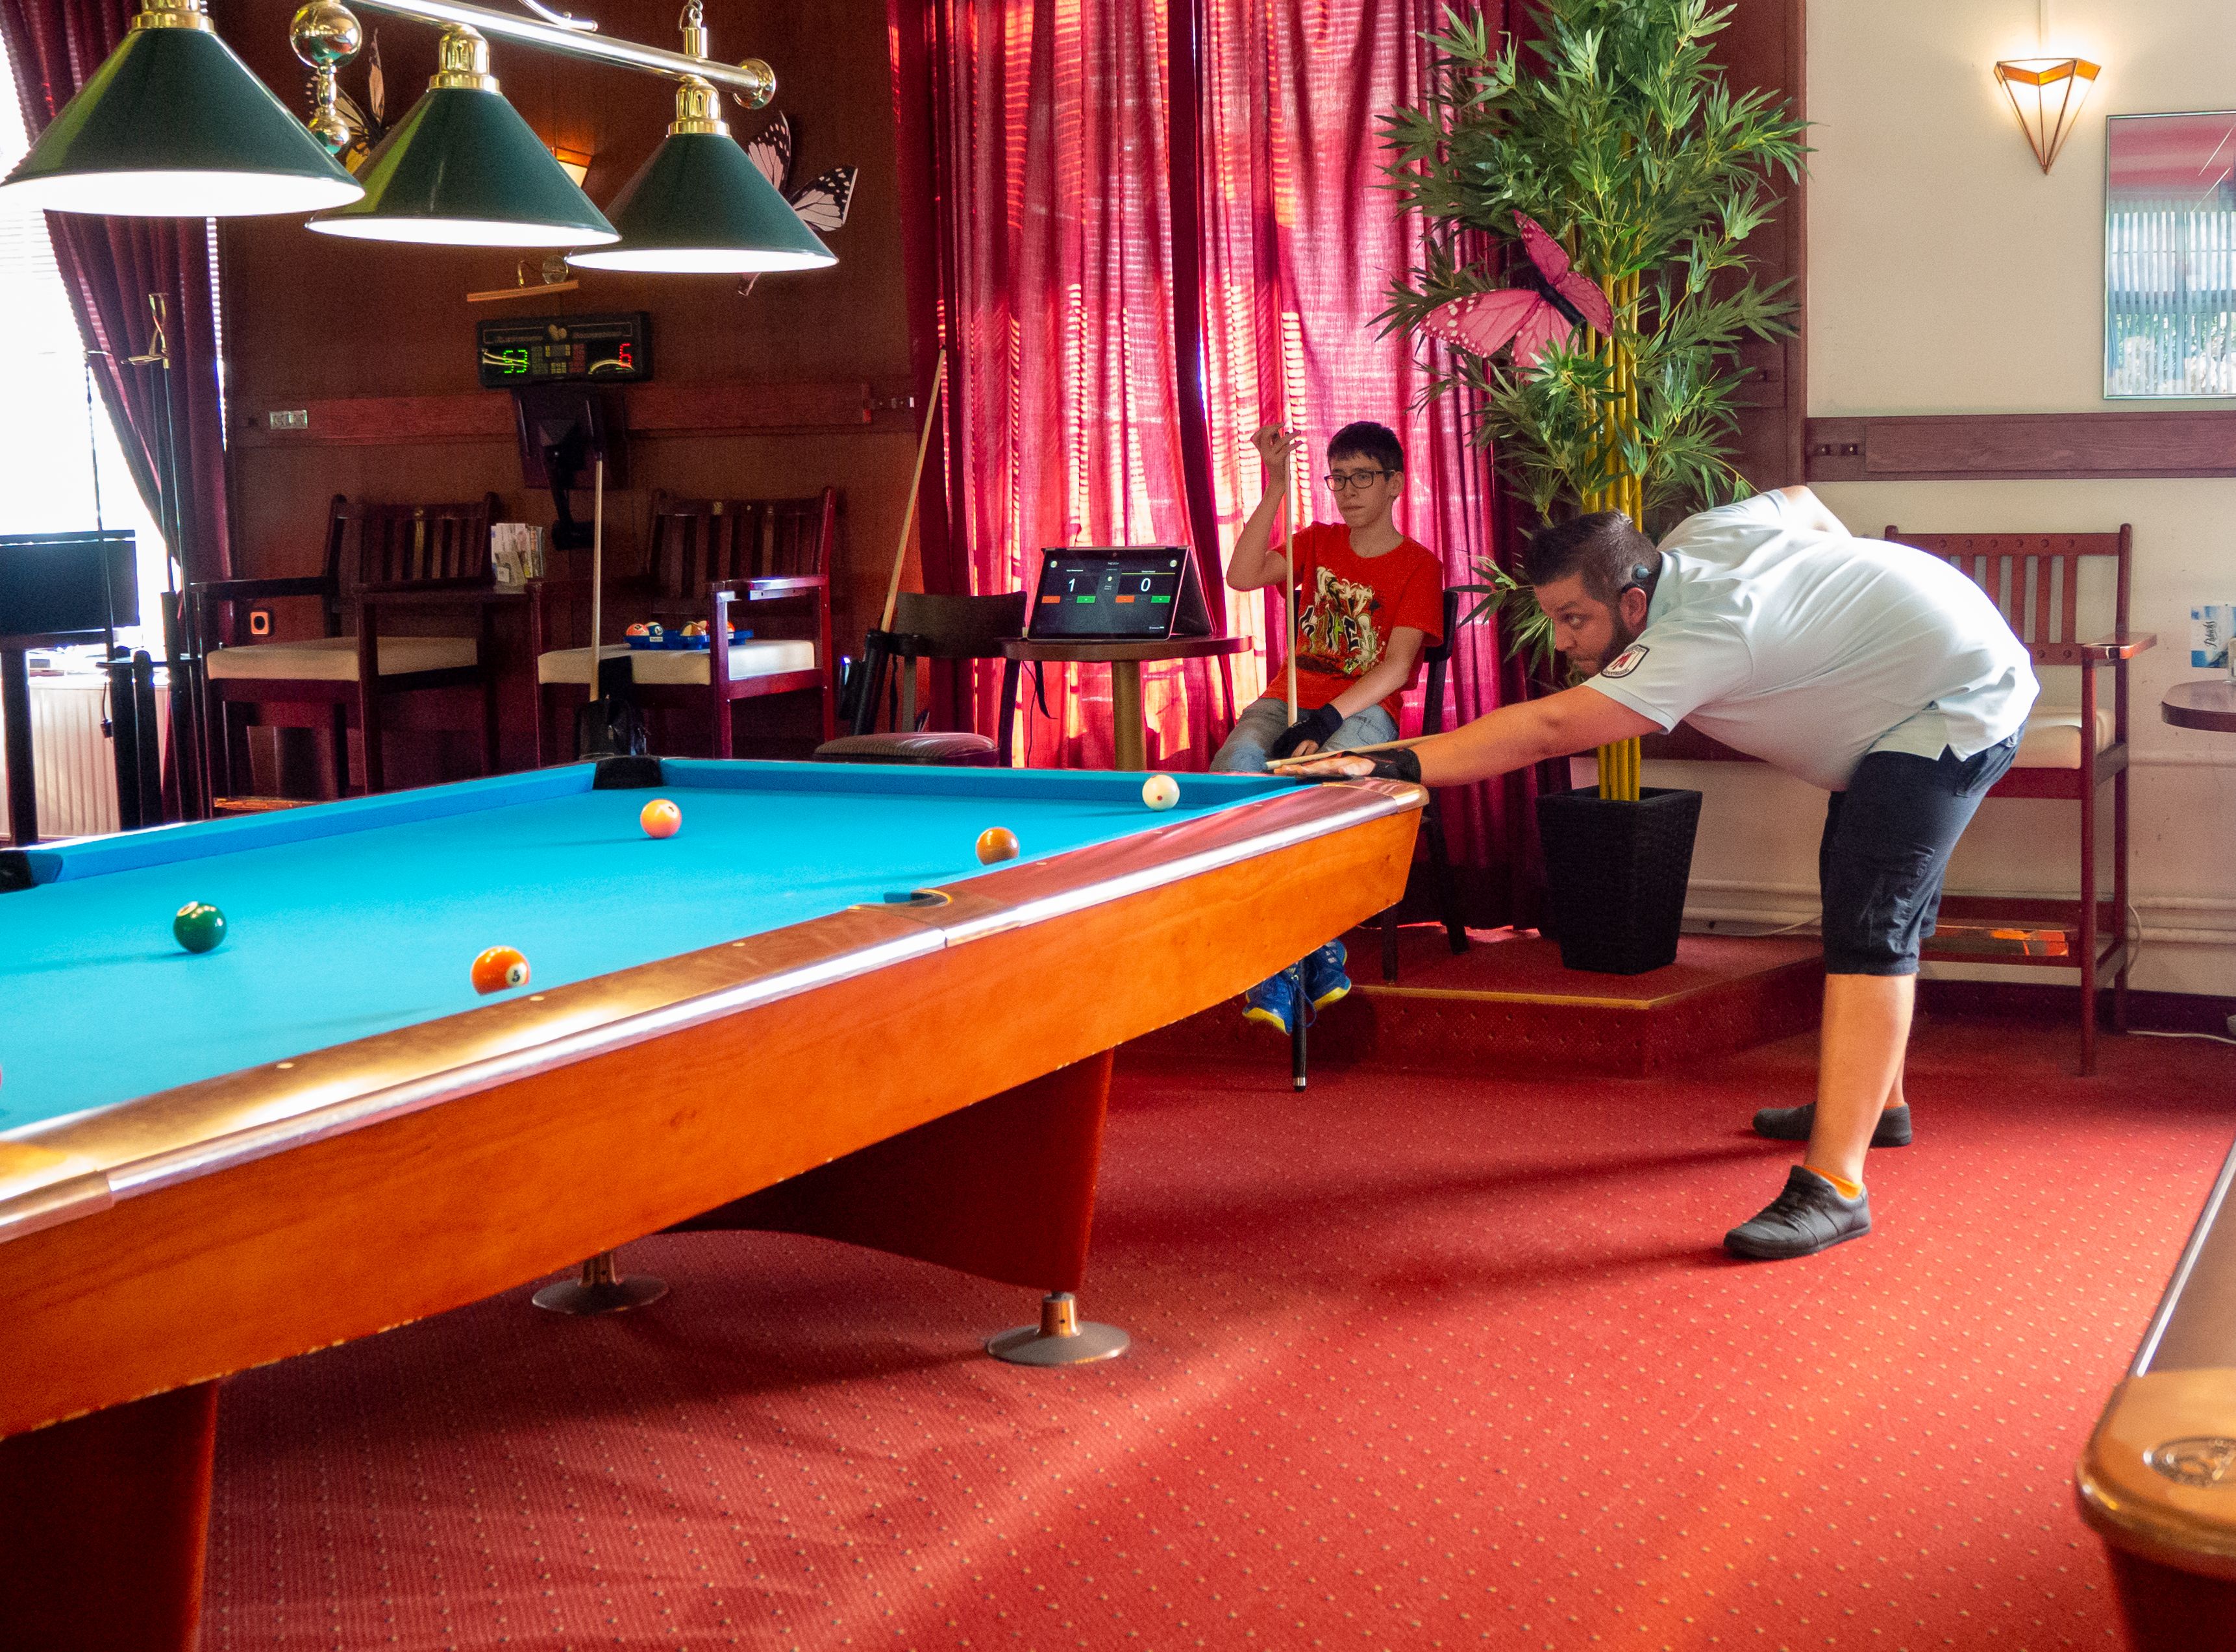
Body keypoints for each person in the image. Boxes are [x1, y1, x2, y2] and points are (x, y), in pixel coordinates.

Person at [1291, 487, 2038, 1260]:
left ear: (1635, 601)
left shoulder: (1704, 633)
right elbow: (1803, 502)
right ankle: (1878, 1106)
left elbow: (1548, 729)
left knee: (1870, 927)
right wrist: (1849, 618)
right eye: (1553, 619)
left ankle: (1836, 1186)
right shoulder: (1693, 540)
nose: (1562, 642)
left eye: (1574, 619)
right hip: (1929, 672)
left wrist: (1386, 762)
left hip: (1957, 701)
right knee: (1855, 888)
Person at [1215, 419, 1446, 1034]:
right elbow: (1241, 575)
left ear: (1395, 483)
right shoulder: (1316, 541)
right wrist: (1275, 484)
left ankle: (1276, 963)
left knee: (1318, 794)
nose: (1347, 490)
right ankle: (1313, 951)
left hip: (1364, 711)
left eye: (1362, 477)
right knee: (1234, 780)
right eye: (1337, 477)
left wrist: (1327, 719)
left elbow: (1397, 668)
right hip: (1284, 701)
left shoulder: (1419, 565)